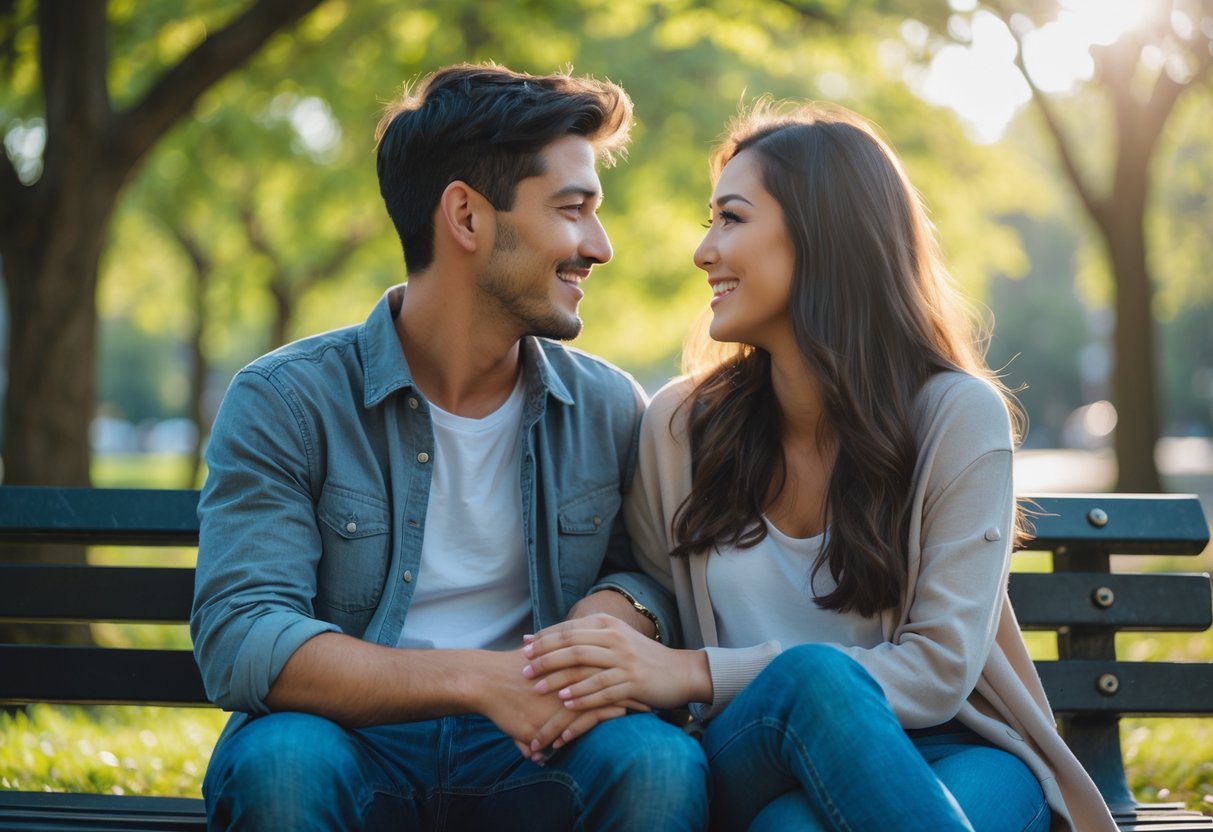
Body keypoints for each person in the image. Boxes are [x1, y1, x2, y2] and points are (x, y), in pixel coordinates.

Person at [520, 102, 1119, 831]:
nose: (703, 250)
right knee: (809, 679)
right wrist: (608, 624)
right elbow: (652, 591)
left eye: (731, 219)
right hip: (755, 749)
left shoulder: (956, 416)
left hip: (953, 750)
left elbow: (936, 671)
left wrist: (692, 672)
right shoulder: (680, 427)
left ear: (823, 238)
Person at [190, 63, 707, 831]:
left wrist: (615, 611)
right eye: (572, 210)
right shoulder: (288, 401)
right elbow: (243, 634)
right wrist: (479, 678)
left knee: (659, 765)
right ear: (465, 218)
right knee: (283, 764)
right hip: (349, 741)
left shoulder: (606, 405)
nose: (598, 246)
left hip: (539, 745)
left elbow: (651, 577)